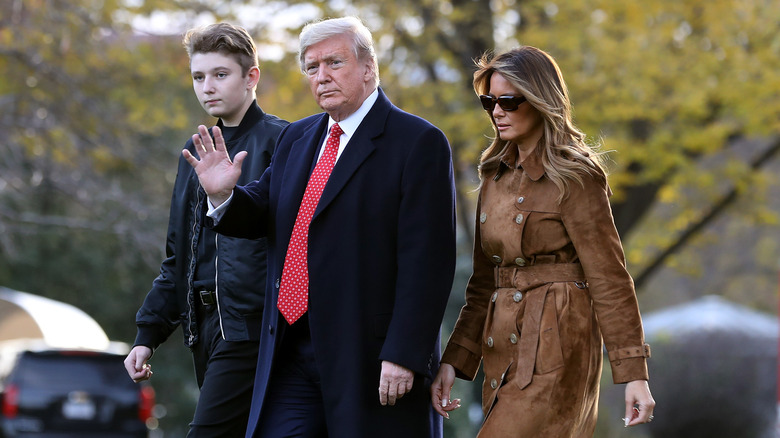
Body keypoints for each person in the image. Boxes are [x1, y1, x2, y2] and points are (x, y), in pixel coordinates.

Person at [182, 16, 456, 438]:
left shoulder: (417, 142)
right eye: (312, 67)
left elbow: (428, 262)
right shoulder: (298, 137)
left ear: (368, 67)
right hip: (291, 349)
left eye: (334, 62)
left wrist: (404, 353)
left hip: (369, 354)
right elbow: (260, 211)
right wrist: (223, 196)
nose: (322, 76)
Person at [430, 46, 656, 437]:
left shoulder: (576, 175)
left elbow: (609, 277)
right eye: (489, 102)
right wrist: (453, 360)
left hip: (558, 343)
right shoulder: (493, 177)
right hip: (502, 346)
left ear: (539, 100)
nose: (496, 111)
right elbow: (484, 283)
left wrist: (634, 373)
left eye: (509, 101)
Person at [123, 22, 288, 437]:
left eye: (220, 74)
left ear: (251, 77)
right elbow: (179, 256)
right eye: (199, 76)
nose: (207, 86)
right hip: (205, 329)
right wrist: (148, 334)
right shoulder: (192, 153)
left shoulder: (284, 141)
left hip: (254, 328)